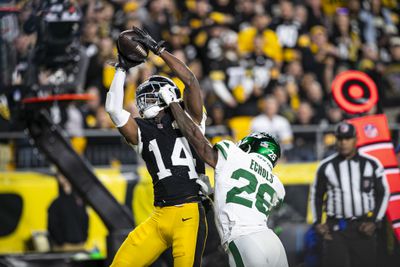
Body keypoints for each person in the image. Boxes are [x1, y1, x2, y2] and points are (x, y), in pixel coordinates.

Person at [106, 27, 207, 267]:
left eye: (150, 94)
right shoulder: (142, 129)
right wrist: (121, 68)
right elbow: (112, 109)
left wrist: (160, 51)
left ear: (167, 93)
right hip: (159, 215)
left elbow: (190, 80)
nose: (144, 100)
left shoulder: (190, 119)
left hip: (189, 213)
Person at [158, 85, 288, 267]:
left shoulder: (234, 154)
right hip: (272, 242)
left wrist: (173, 104)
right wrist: (214, 195)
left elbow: (199, 142)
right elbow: (249, 201)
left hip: (244, 238)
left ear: (250, 145)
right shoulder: (277, 184)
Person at [309, 121, 390, 267]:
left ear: (356, 139)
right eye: (340, 139)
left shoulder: (371, 164)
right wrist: (317, 222)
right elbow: (316, 195)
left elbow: (383, 193)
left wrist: (375, 221)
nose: (343, 143)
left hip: (363, 227)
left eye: (347, 138)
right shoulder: (326, 166)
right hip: (336, 229)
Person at [47, 171, 89, 251]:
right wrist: (61, 242)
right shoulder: (56, 204)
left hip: (80, 245)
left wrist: (84, 239)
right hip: (63, 247)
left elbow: (85, 220)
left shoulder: (80, 202)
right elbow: (52, 226)